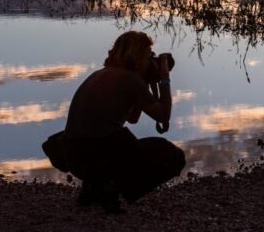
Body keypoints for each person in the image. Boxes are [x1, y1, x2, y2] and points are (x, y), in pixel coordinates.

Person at [45, 31, 185, 213]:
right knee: (172, 156)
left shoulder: (102, 74)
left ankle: (94, 185)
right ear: (138, 56)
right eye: (149, 55)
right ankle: (109, 188)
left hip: (74, 157)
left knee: (117, 140)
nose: (151, 60)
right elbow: (163, 116)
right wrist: (164, 79)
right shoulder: (129, 79)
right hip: (95, 154)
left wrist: (147, 82)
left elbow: (133, 119)